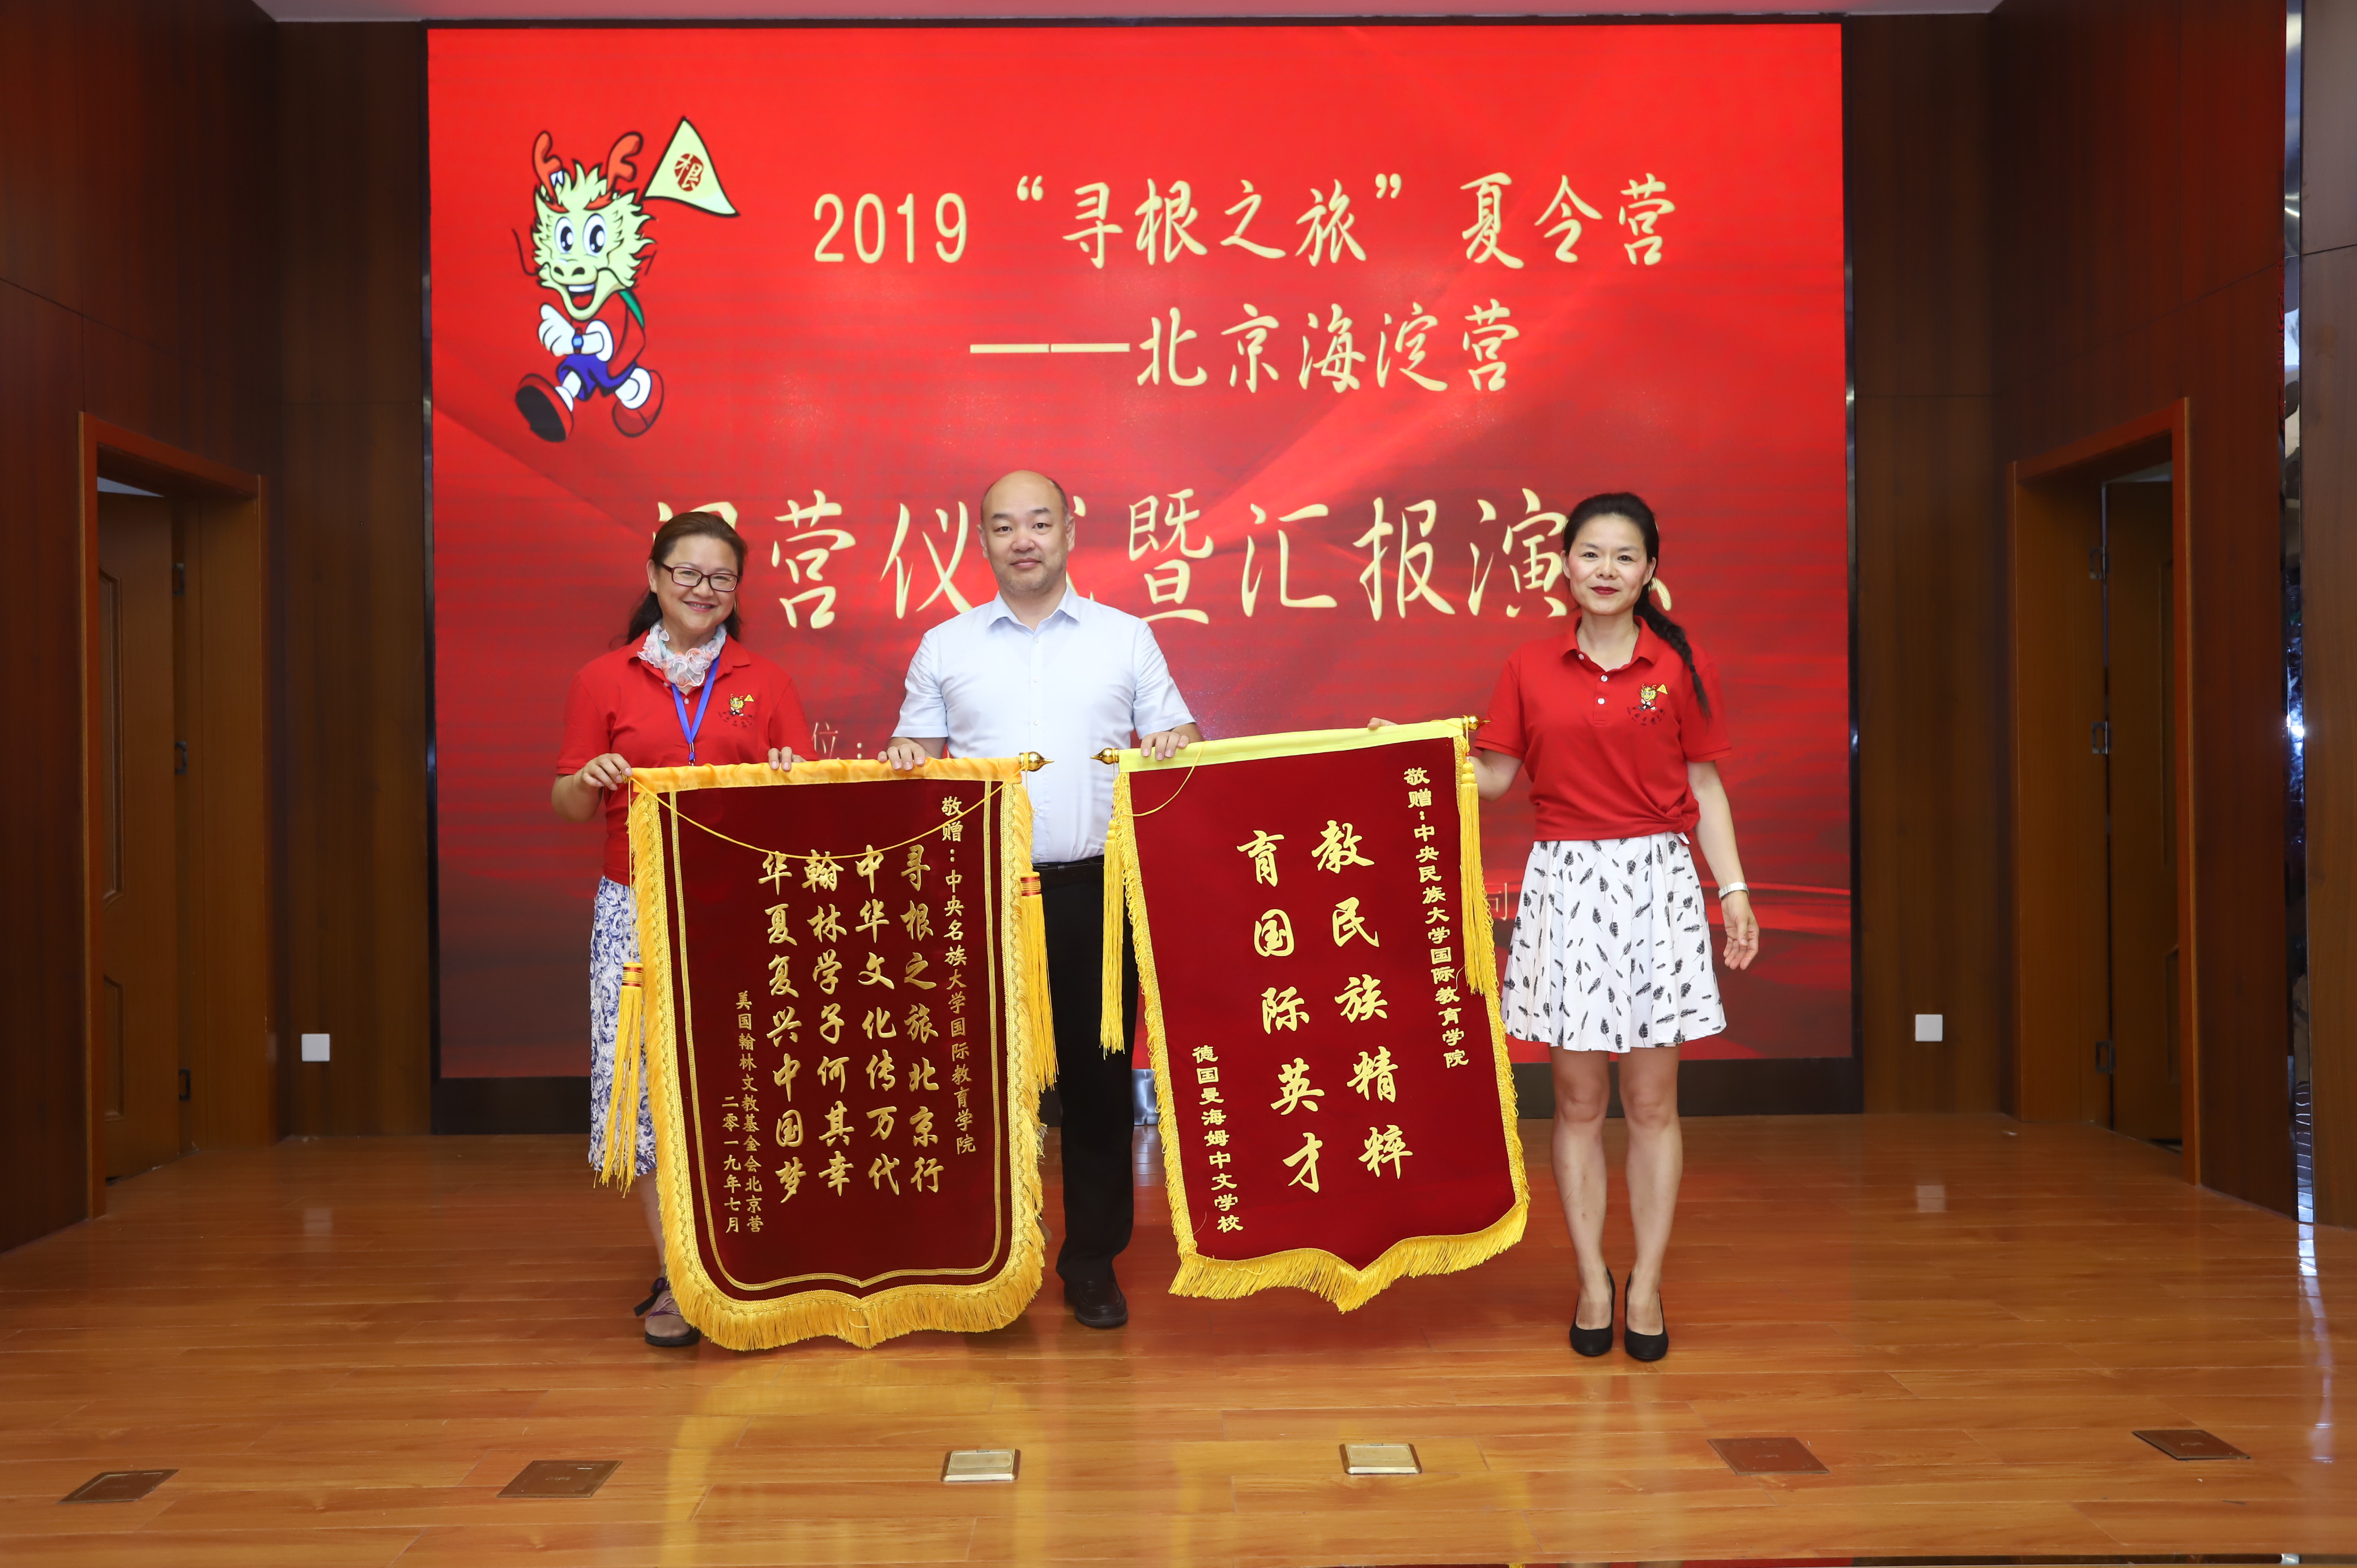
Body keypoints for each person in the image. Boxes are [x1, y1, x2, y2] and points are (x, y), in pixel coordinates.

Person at [883, 470, 1200, 1330]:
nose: (1022, 540)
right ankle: (995, 1256)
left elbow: (1179, 737)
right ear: (981, 540)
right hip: (980, 897)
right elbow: (913, 757)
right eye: (1003, 526)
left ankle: (1091, 1262)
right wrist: (906, 756)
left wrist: (1176, 741)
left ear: (1069, 532)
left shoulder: (1126, 638)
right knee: (985, 1083)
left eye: (1038, 523)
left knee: (1097, 1084)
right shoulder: (944, 646)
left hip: (1097, 888)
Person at [1470, 492, 1760, 1362]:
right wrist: (1411, 752)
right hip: (1566, 886)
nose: (1606, 570)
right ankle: (1594, 1280)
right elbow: (1493, 778)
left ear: (1650, 572)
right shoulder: (1528, 664)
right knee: (1578, 1103)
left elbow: (1704, 786)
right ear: (1564, 564)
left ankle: (1646, 1284)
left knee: (1652, 1104)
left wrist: (1734, 890)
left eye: (1624, 556)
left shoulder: (1678, 666)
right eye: (1590, 553)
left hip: (1657, 888)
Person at [552, 511, 812, 1347]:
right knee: (647, 1094)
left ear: (738, 590)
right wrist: (588, 778)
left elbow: (808, 803)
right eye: (688, 574)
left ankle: (755, 1260)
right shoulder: (602, 678)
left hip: (743, 908)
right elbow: (567, 802)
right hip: (635, 909)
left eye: (721, 578)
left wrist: (790, 777)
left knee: (749, 1077)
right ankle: (678, 1275)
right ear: (656, 577)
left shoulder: (766, 681)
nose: (704, 590)